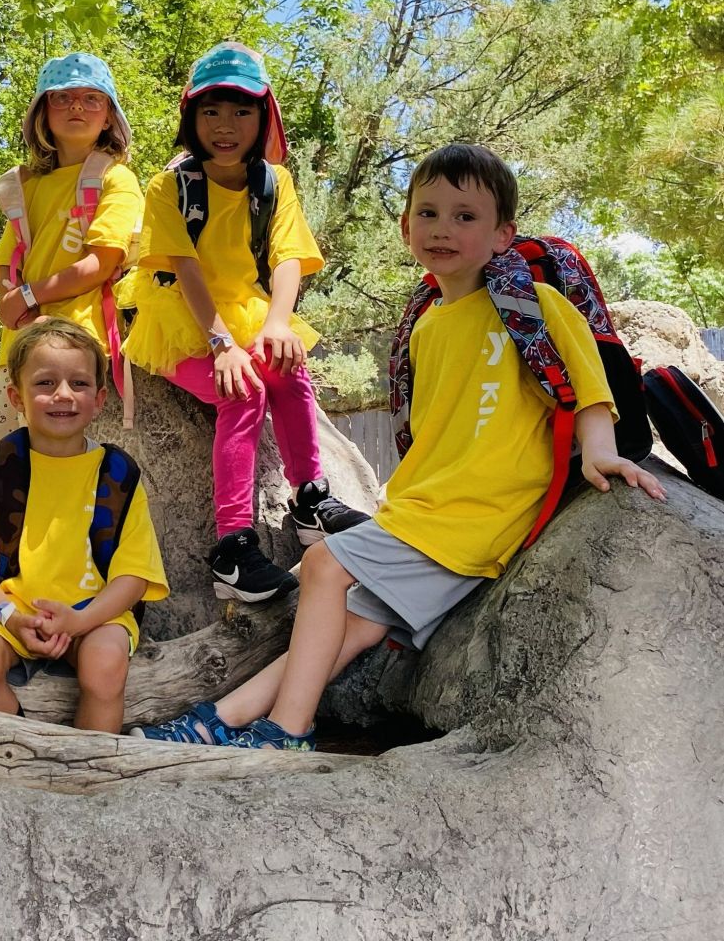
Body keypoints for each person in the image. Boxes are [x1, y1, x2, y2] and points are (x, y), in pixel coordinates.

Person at [131, 143, 666, 750]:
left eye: (466, 216)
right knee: (349, 627)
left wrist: (599, 449)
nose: (443, 229)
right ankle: (219, 721)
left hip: (474, 514)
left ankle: (286, 731)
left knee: (324, 564)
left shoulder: (532, 305)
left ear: (502, 234)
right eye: (429, 213)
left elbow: (585, 381)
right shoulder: (426, 323)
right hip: (425, 512)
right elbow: (431, 433)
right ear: (406, 226)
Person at [121, 41, 367, 605]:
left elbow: (286, 259)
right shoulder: (170, 188)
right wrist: (223, 345)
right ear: (191, 117)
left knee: (288, 367)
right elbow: (183, 269)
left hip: (246, 308)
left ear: (264, 117)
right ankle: (232, 548)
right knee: (244, 391)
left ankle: (312, 500)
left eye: (241, 111)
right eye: (211, 111)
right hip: (180, 317)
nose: (225, 126)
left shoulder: (274, 183)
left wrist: (279, 324)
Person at [0, 318, 168, 733]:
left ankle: (90, 763)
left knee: (105, 663)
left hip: (93, 613)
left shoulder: (118, 473)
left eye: (79, 384)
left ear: (100, 398)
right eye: (45, 383)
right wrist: (10, 617)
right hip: (8, 607)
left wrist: (80, 622)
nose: (63, 395)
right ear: (16, 396)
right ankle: (16, 750)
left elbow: (134, 575)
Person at [0, 53, 143, 447]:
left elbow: (102, 262)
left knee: (70, 460)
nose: (77, 106)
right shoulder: (29, 185)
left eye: (93, 98)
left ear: (108, 116)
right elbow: (7, 261)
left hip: (79, 339)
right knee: (4, 459)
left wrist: (28, 296)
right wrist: (19, 311)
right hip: (20, 346)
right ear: (43, 113)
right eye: (62, 97)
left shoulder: (116, 179)